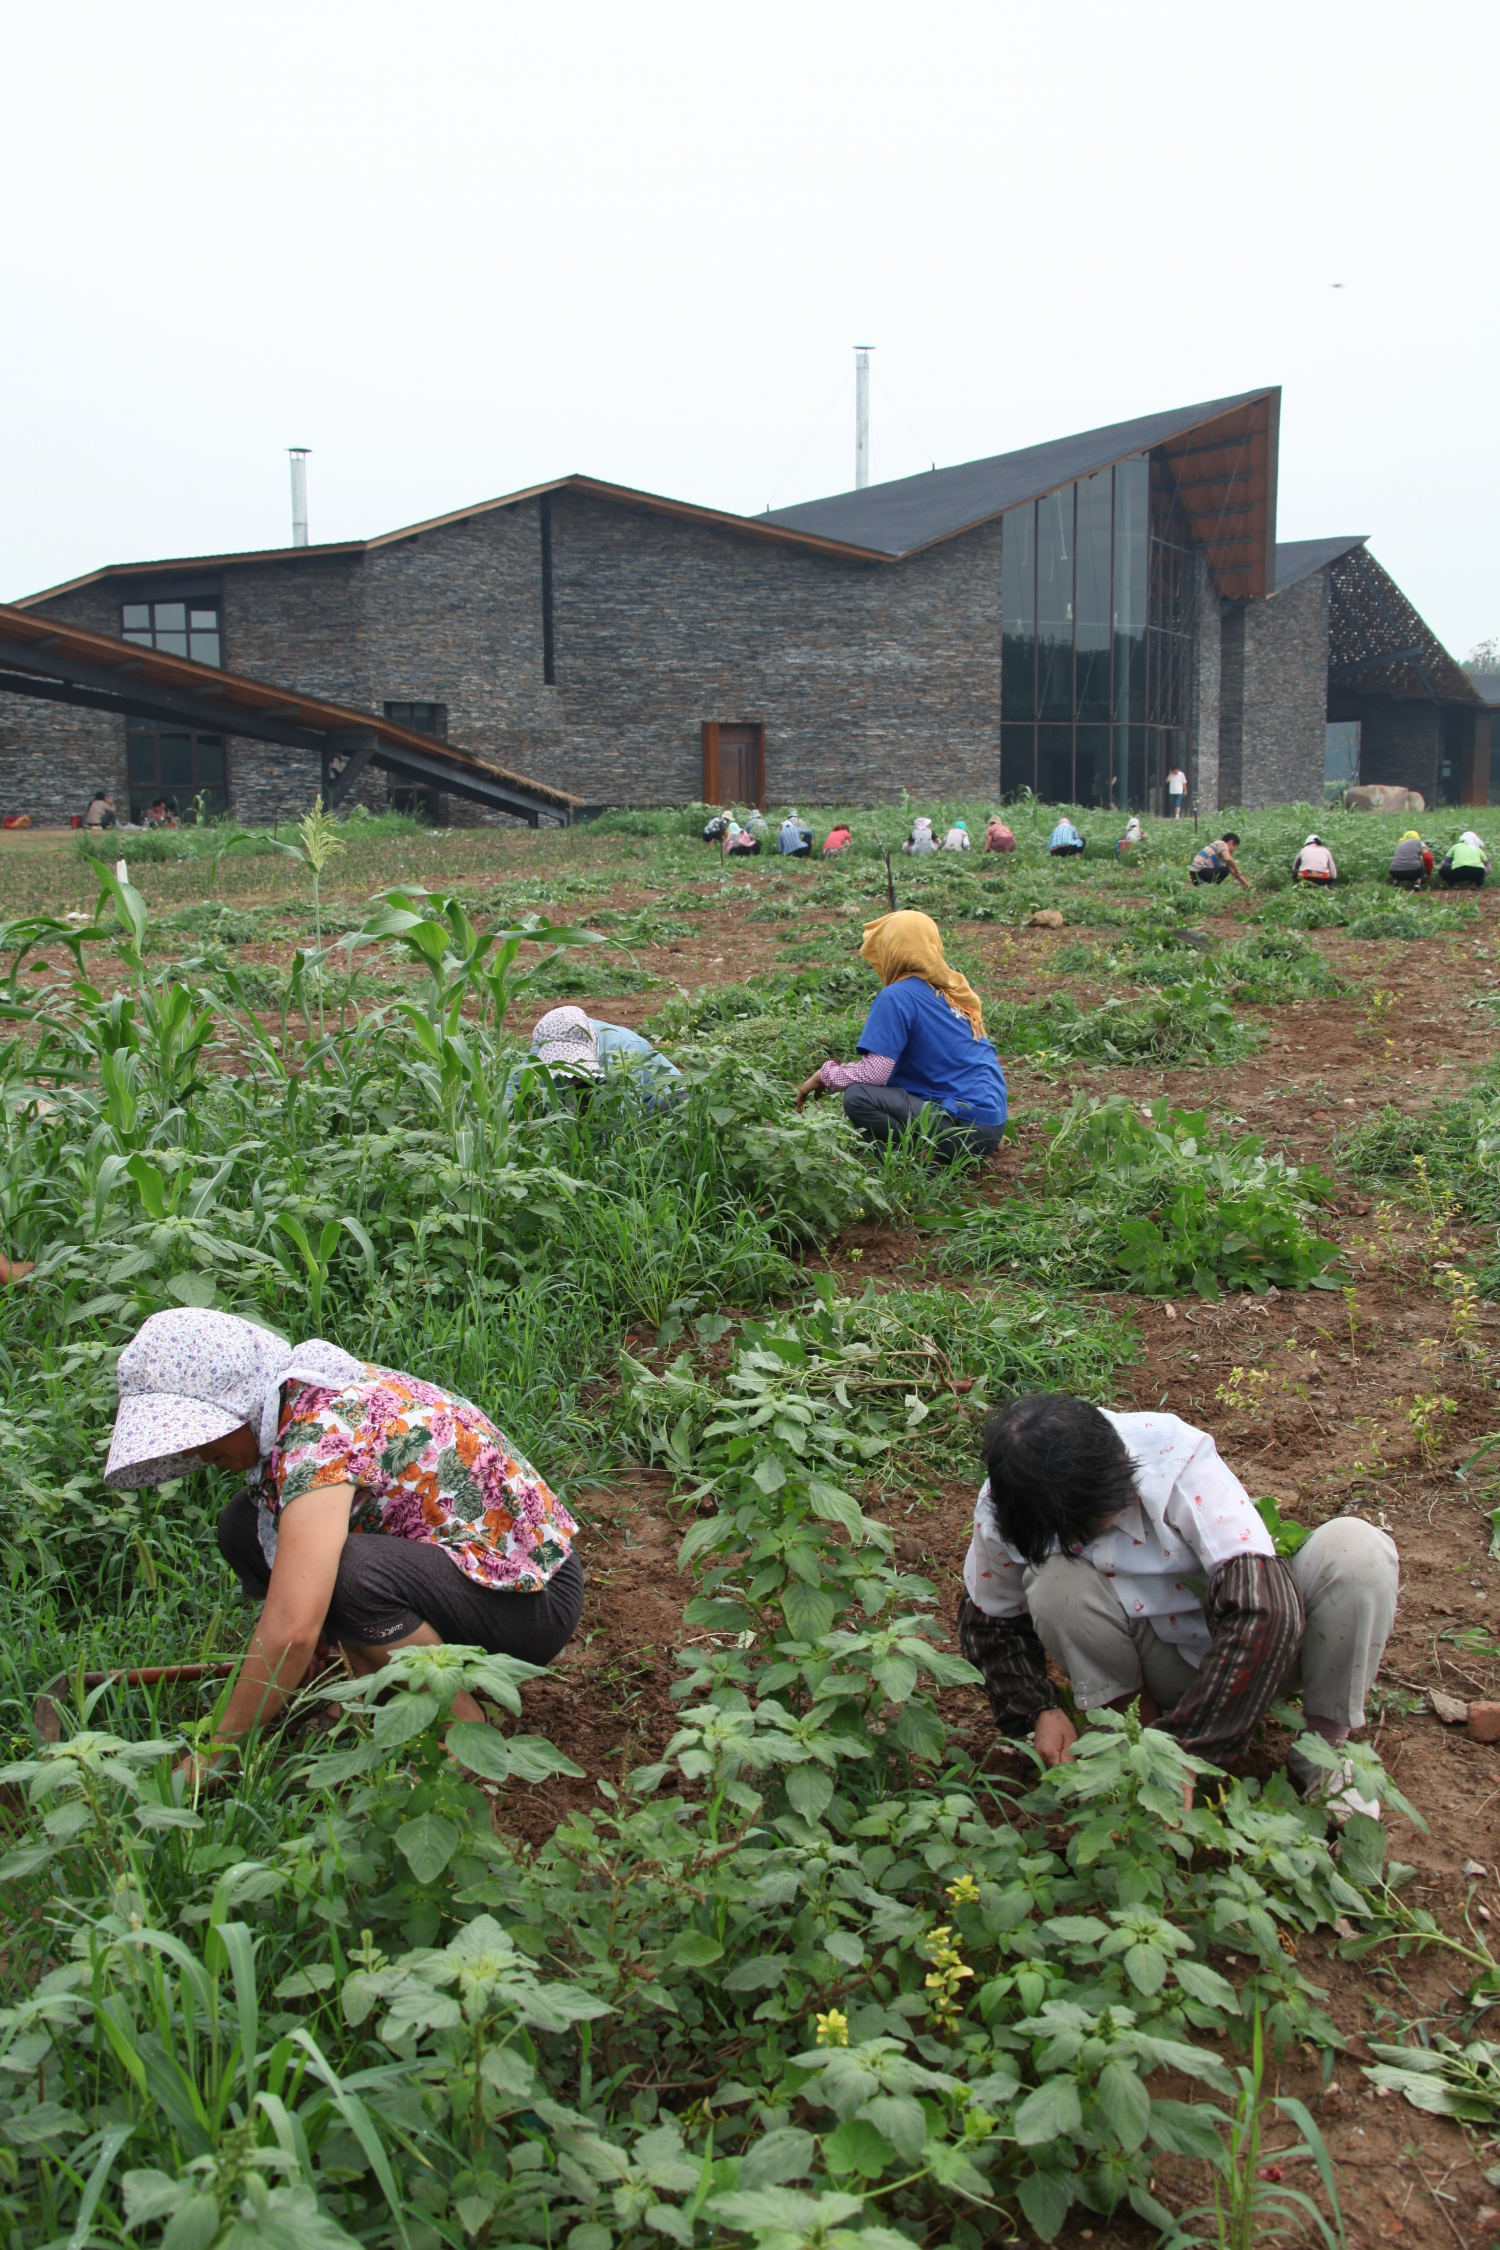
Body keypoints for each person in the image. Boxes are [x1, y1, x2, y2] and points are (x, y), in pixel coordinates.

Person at [103, 1308, 585, 1786]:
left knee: (348, 1575)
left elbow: (291, 1629)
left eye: (200, 1432)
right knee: (242, 1526)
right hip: (460, 1576)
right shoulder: (299, 1396)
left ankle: (459, 1729)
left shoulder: (320, 1437)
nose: (194, 1452)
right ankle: (366, 1675)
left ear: (240, 1397)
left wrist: (211, 1758)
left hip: (529, 1602)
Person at [958, 1393, 1398, 1819]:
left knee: (1357, 1550)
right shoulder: (1009, 1500)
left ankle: (1323, 1749)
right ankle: (1135, 1743)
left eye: (1087, 1528)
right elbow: (990, 1622)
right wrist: (1038, 1711)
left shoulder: (1175, 1459)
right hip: (1158, 1660)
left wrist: (1188, 1747)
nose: (1075, 1542)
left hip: (1263, 1652)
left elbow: (1266, 1610)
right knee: (1055, 1578)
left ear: (1120, 1477)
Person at [794, 909, 1006, 1163]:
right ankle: (945, 1150)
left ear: (890, 950)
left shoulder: (898, 996)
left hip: (961, 1129)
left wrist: (826, 1075)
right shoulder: (951, 993)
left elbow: (875, 1073)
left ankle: (917, 1159)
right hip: (990, 1124)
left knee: (858, 1097)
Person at [521, 1004, 682, 1105]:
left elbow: (626, 1110)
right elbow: (519, 1079)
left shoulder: (622, 1052)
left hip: (660, 1101)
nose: (570, 1068)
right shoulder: (546, 1040)